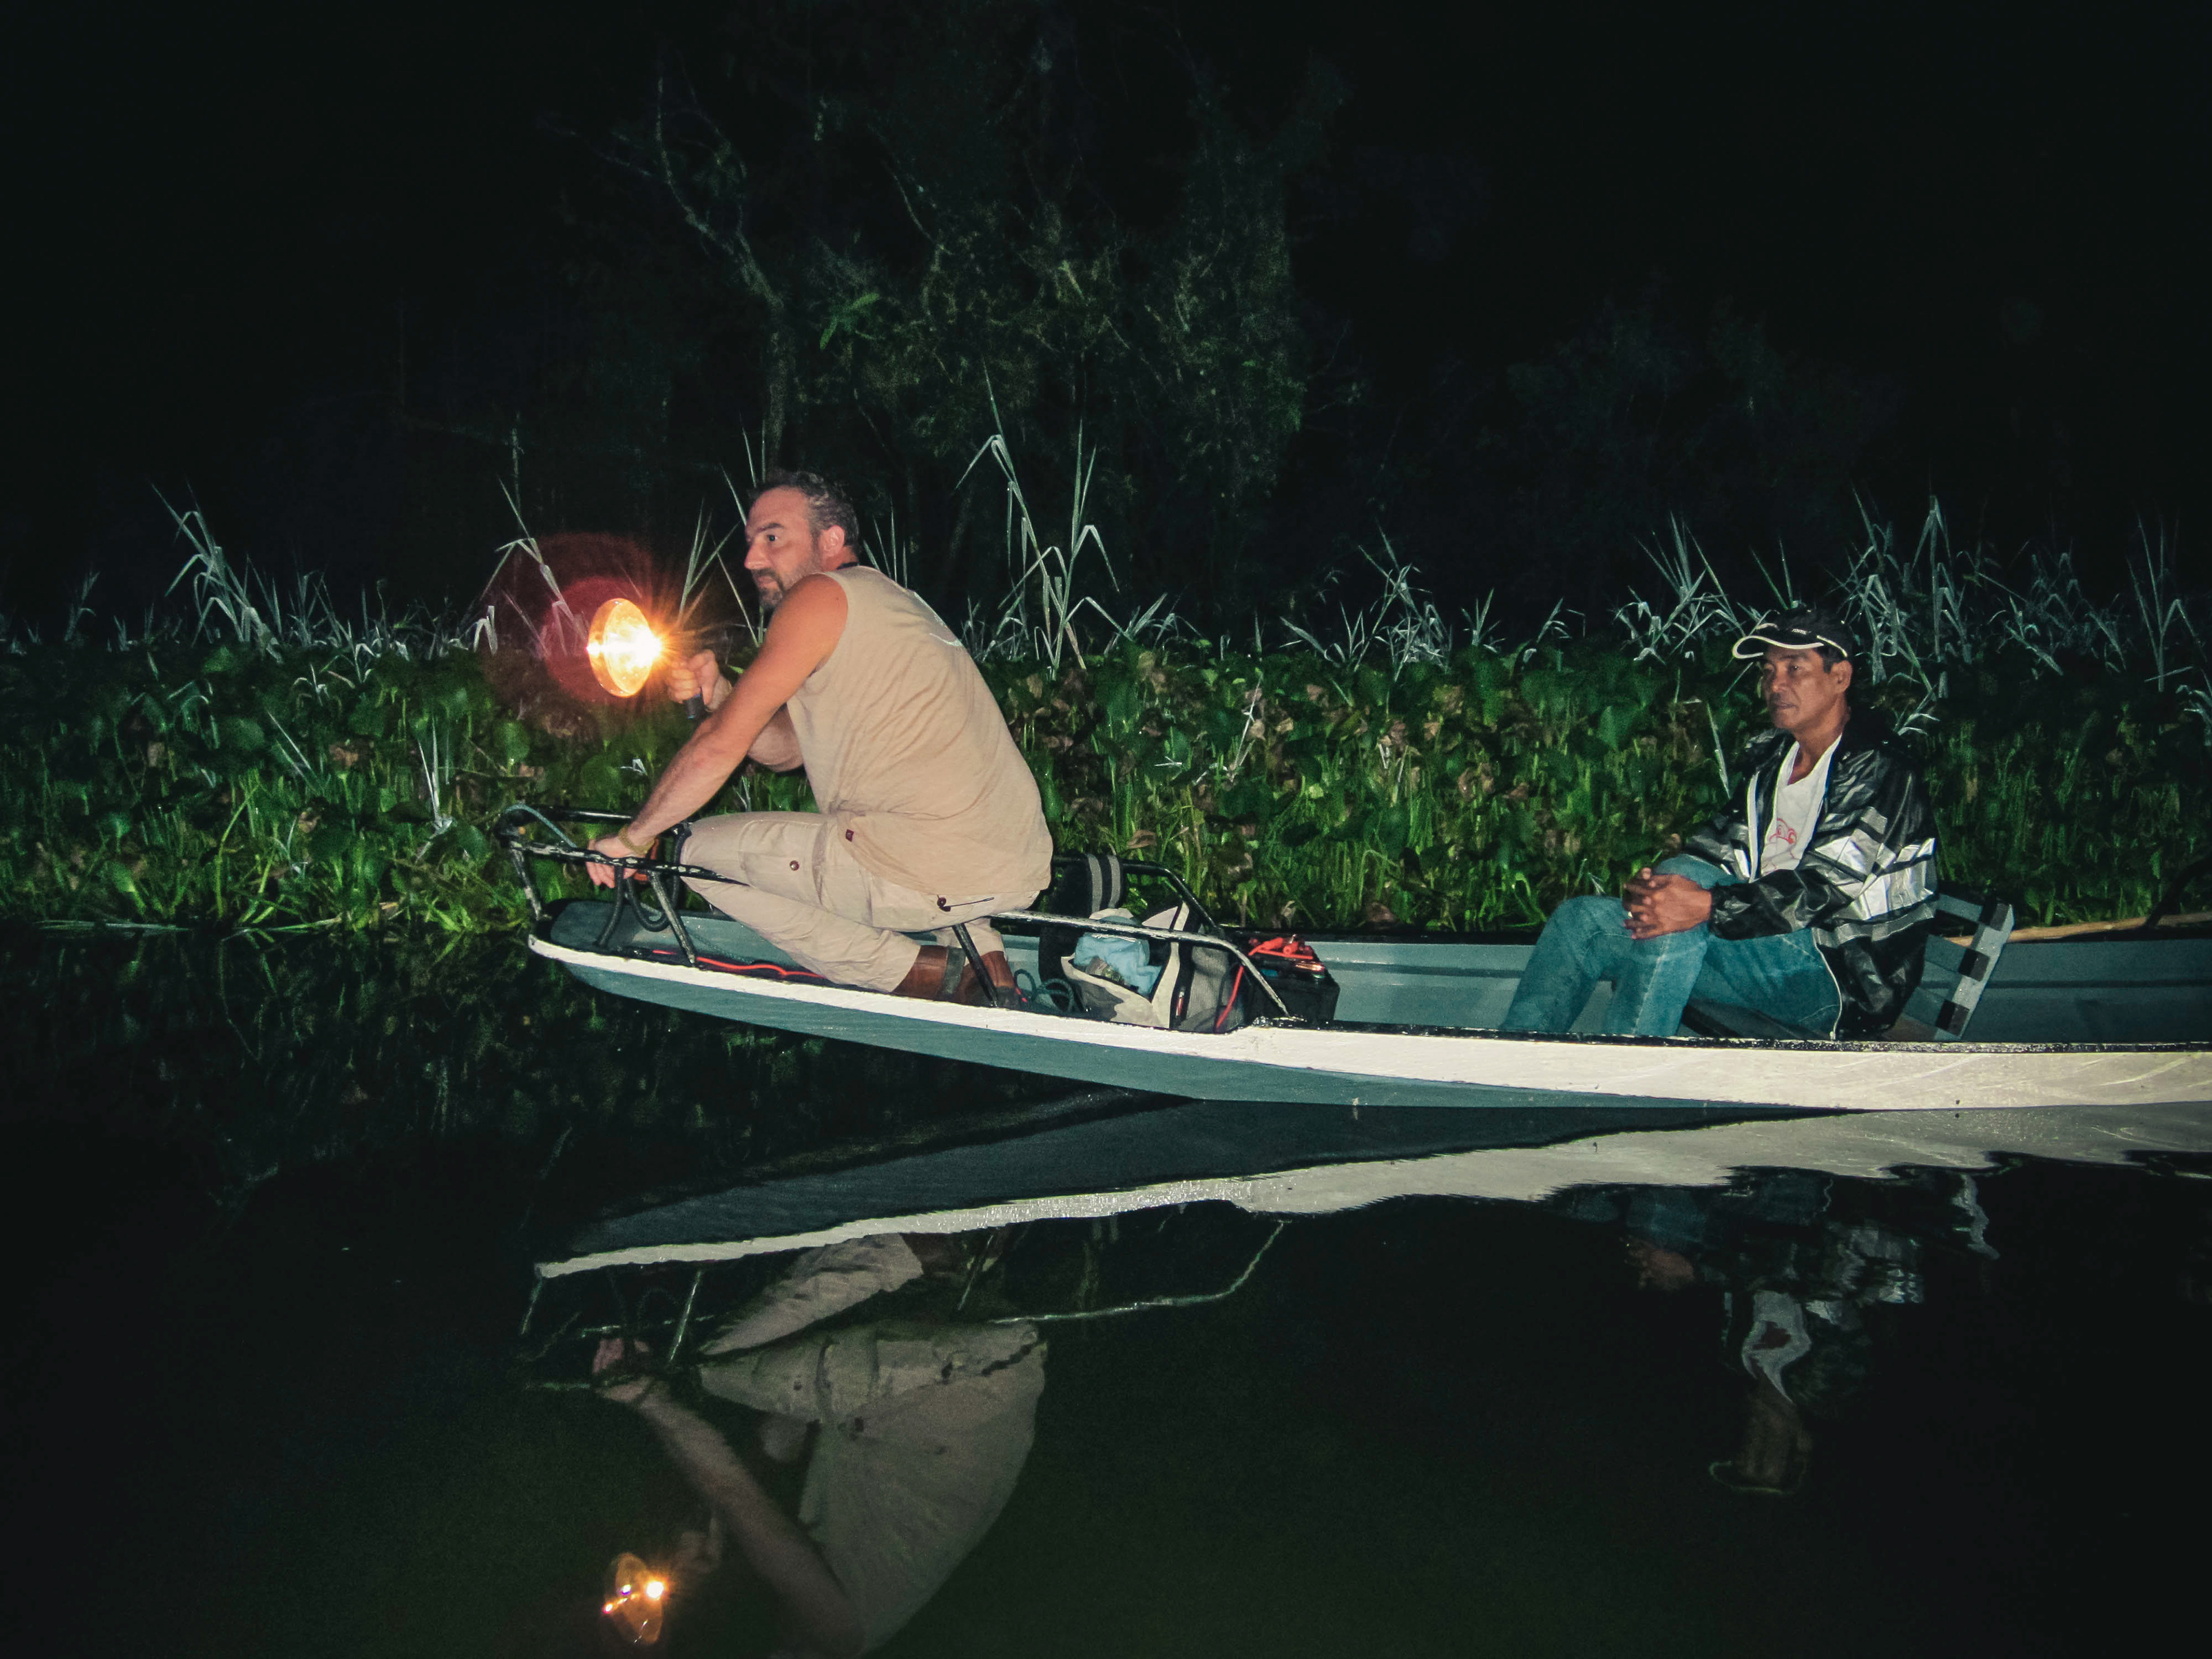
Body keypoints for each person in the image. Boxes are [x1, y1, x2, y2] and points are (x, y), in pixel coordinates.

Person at [585, 471, 1052, 1002]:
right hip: (1013, 858)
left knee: (693, 851)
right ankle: (987, 960)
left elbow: (718, 746)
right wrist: (721, 695)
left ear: (831, 540)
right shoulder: (890, 600)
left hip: (931, 863)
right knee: (899, 828)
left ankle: (911, 972)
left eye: (774, 537)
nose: (752, 559)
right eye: (750, 543)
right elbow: (787, 750)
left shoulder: (818, 597)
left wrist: (632, 839)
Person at [592, 1233, 1047, 1656]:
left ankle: (962, 1254)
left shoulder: (818, 1599)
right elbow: (735, 1491)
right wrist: (651, 1400)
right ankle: (919, 1251)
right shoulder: (838, 1631)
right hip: (966, 1383)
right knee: (716, 1363)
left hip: (973, 1375)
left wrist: (713, 1523)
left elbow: (785, 1428)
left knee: (757, 1368)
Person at [1500, 605, 1938, 1039]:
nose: (1775, 685)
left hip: (1838, 976)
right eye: (1768, 671)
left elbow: (1826, 889)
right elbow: (1716, 849)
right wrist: (1652, 889)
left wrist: (1706, 906)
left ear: (1839, 677)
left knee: (1685, 917)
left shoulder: (1880, 767)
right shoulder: (1774, 758)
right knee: (1582, 921)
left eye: (1794, 668)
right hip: (1760, 948)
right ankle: (1521, 1054)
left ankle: (1632, 1066)